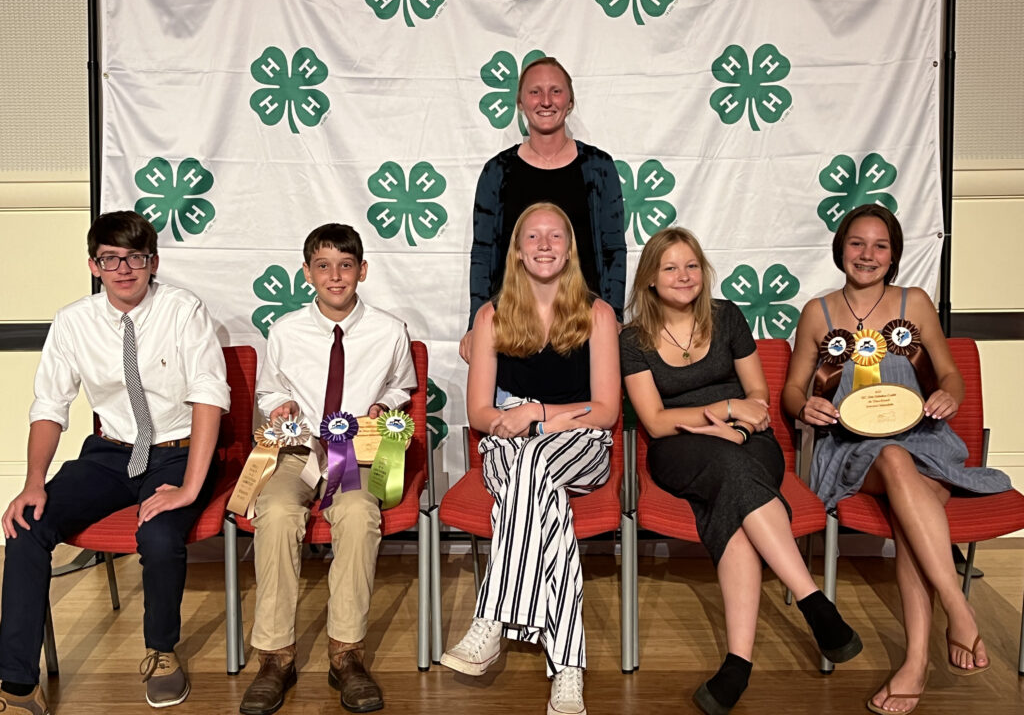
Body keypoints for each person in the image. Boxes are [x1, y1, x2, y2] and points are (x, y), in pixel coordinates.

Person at [620, 227, 862, 715]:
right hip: (680, 448)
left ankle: (738, 664)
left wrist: (740, 422)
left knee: (731, 492)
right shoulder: (633, 339)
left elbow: (759, 397)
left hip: (750, 441)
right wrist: (719, 413)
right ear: (649, 279)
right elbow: (656, 420)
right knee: (729, 474)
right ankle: (814, 603)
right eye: (670, 267)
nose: (683, 276)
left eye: (691, 266)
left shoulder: (727, 315)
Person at [782, 205, 1011, 715]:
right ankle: (959, 607)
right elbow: (793, 390)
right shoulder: (817, 312)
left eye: (880, 245)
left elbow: (950, 376)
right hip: (851, 448)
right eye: (857, 244)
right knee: (890, 455)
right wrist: (807, 404)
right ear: (841, 248)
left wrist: (950, 396)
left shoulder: (916, 303)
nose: (867, 255)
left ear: (895, 254)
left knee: (912, 503)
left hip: (925, 440)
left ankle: (915, 663)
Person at [0, 211, 230, 713]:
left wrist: (191, 488)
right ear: (93, 264)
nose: (124, 269)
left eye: (135, 258)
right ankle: (16, 682)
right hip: (110, 453)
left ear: (153, 262)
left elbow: (209, 395)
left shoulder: (183, 310)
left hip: (177, 452)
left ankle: (162, 653)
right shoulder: (72, 321)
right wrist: (33, 482)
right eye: (110, 258)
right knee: (26, 524)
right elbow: (49, 407)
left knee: (160, 533)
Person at [440, 203, 620, 715]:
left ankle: (491, 620)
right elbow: (479, 412)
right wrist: (521, 423)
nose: (544, 245)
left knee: (536, 463)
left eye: (555, 236)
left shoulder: (598, 313)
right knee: (544, 498)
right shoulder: (492, 315)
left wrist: (538, 415)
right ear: (517, 250)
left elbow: (605, 410)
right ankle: (568, 672)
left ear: (570, 247)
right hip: (508, 444)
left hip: (581, 444)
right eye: (533, 237)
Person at [241, 223, 416, 715]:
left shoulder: (389, 330)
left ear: (362, 270)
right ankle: (275, 656)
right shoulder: (286, 330)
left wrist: (383, 405)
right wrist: (280, 405)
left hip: (355, 451)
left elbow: (401, 386)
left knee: (359, 514)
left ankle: (346, 652)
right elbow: (269, 390)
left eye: (345, 265)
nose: (334, 276)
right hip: (298, 450)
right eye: (323, 266)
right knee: (274, 512)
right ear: (307, 273)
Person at [461, 56, 626, 361]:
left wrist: (614, 316)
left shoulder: (599, 167)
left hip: (583, 324)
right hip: (513, 324)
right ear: (520, 103)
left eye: (556, 91)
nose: (546, 101)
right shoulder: (497, 171)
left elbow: (613, 248)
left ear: (571, 102)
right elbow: (484, 253)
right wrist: (476, 324)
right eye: (535, 92)